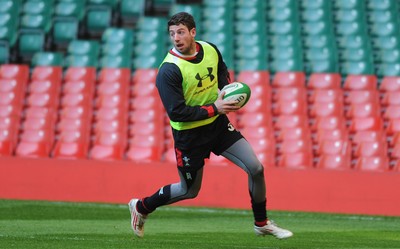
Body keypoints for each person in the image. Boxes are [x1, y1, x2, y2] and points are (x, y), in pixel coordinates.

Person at [128, 12, 293, 239]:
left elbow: (221, 71)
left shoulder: (210, 49)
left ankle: (261, 223)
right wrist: (216, 107)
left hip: (217, 127)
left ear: (193, 32)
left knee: (256, 168)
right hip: (189, 136)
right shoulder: (168, 70)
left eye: (181, 32)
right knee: (189, 191)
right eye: (172, 33)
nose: (176, 37)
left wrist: (226, 91)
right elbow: (177, 112)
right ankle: (141, 207)